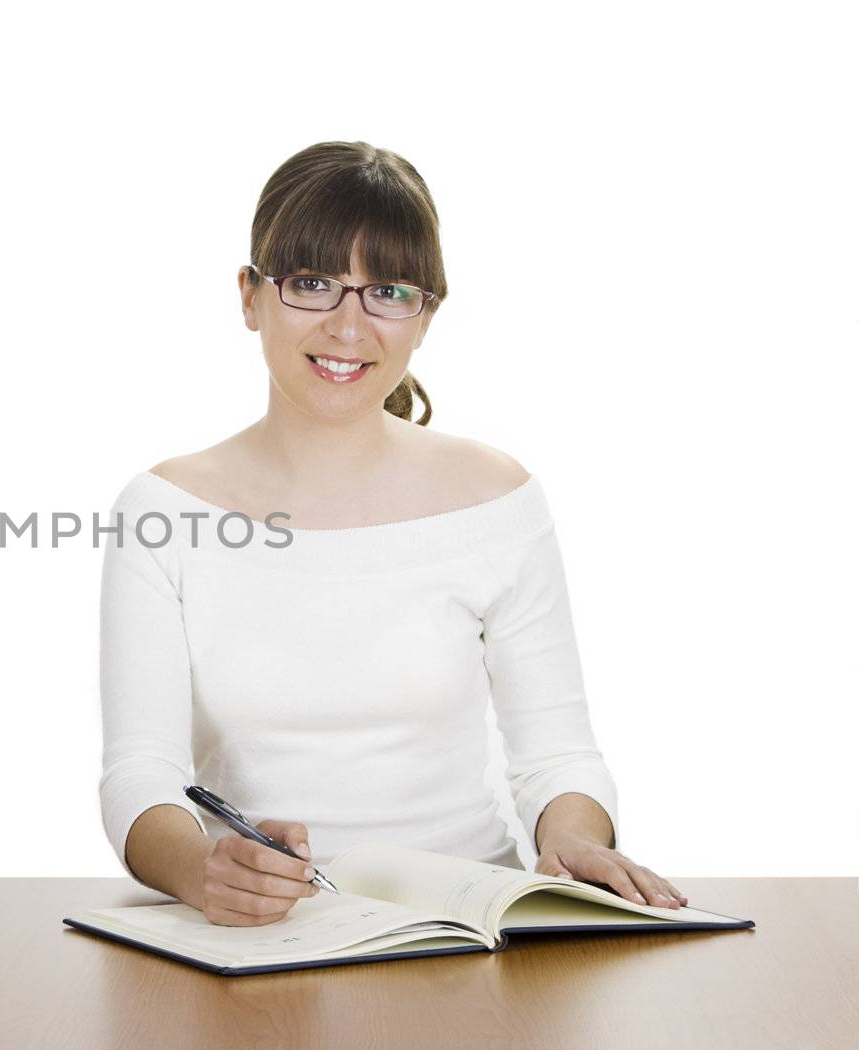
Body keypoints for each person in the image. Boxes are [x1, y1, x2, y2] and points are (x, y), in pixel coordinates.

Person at [97, 140, 688, 927]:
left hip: (467, 924)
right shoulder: (162, 509)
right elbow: (141, 771)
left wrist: (574, 836)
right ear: (250, 297)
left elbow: (557, 757)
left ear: (427, 315)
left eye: (389, 291)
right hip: (259, 937)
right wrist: (205, 871)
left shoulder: (497, 500)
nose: (349, 327)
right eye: (311, 284)